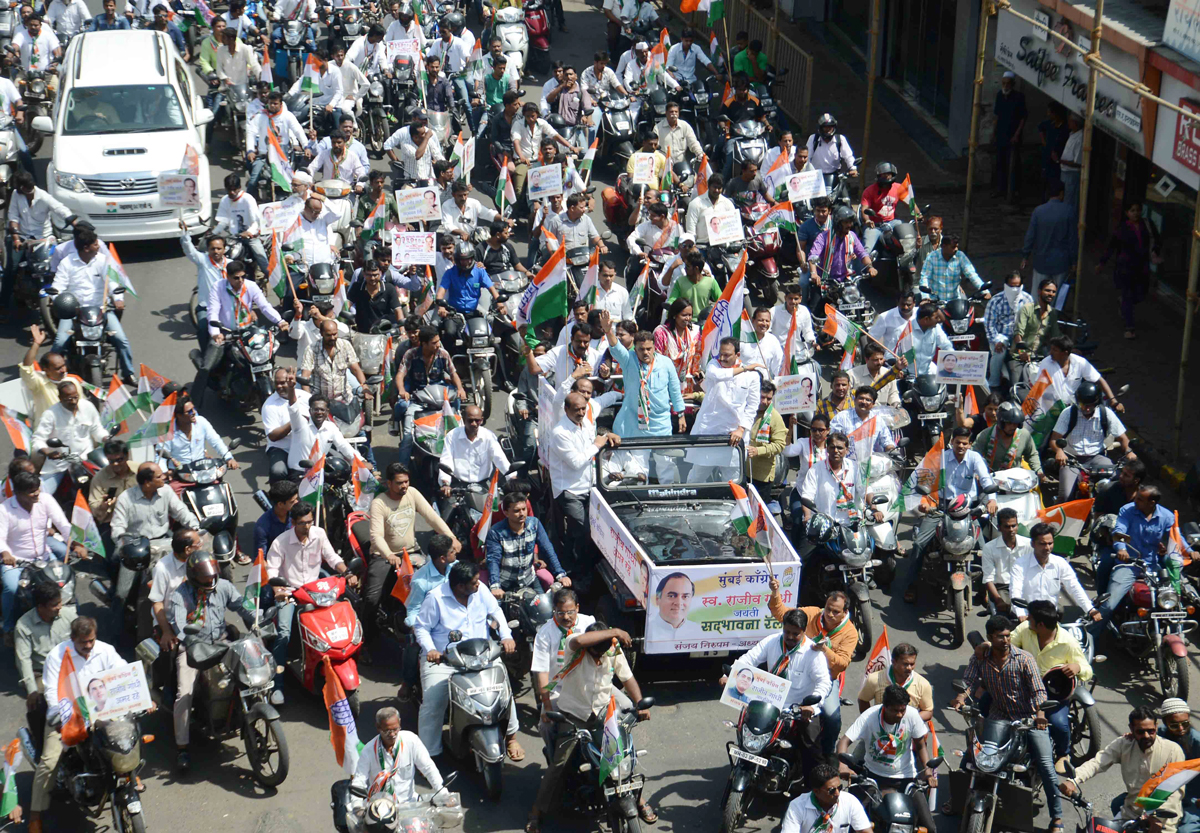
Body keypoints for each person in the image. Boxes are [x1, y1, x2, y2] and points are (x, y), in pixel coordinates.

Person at [527, 622, 654, 833]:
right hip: (573, 717)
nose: (599, 655)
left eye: (602, 651)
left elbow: (627, 677)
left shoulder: (612, 649)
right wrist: (615, 630)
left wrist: (639, 704)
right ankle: (536, 812)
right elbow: (579, 640)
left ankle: (639, 800)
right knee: (559, 766)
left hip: (604, 714)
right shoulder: (573, 645)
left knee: (625, 755)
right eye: (595, 650)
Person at [950, 614, 1062, 833]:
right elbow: (969, 681)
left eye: (1008, 636)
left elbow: (1039, 690)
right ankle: (957, 801)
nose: (1006, 640)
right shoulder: (981, 658)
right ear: (991, 637)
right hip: (998, 716)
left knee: (1047, 766)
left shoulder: (1024, 659)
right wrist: (961, 698)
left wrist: (1040, 713)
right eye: (1001, 637)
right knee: (971, 756)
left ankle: (1057, 818)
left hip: (1027, 719)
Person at [414, 561, 522, 759]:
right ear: (460, 586)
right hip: (445, 659)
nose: (478, 584)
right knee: (433, 701)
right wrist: (430, 650)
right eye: (474, 582)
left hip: (482, 654)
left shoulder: (480, 592)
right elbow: (421, 628)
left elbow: (495, 611)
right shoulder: (436, 598)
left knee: (503, 689)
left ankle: (512, 737)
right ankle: (428, 755)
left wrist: (506, 635)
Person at [166, 551, 256, 770]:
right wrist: (190, 641)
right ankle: (182, 749)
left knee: (253, 676)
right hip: (193, 649)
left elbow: (242, 606)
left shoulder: (223, 586)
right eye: (206, 578)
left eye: (213, 576)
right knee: (184, 695)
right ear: (193, 576)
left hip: (223, 644)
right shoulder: (180, 595)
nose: (211, 581)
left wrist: (256, 619)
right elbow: (178, 626)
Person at [29, 617, 121, 831]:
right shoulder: (57, 656)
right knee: (49, 762)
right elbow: (52, 691)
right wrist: (65, 714)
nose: (88, 646)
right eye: (83, 643)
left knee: (126, 738)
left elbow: (122, 673)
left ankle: (129, 777)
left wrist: (143, 697)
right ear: (72, 639)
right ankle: (35, 815)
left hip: (101, 711)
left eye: (91, 641)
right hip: (67, 715)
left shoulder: (105, 651)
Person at [265, 501, 358, 703]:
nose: (307, 527)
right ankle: (277, 685)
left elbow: (332, 557)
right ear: (293, 523)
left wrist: (348, 572)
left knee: (345, 616)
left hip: (317, 592)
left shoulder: (318, 534)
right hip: (291, 594)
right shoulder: (280, 543)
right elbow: (271, 570)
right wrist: (278, 590)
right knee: (283, 634)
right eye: (302, 523)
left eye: (309, 522)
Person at [725, 608, 831, 783]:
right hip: (768, 703)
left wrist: (811, 707)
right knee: (745, 730)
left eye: (795, 634)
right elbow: (749, 658)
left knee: (811, 748)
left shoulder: (813, 653)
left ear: (804, 632)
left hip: (797, 708)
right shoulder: (772, 641)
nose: (789, 637)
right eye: (787, 631)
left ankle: (816, 789)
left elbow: (823, 682)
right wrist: (729, 675)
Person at [902, 427, 996, 603]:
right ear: (952, 442)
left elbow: (986, 480)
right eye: (957, 442)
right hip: (943, 508)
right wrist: (923, 502)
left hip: (967, 509)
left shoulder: (975, 458)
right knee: (919, 544)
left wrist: (992, 500)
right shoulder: (942, 457)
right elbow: (925, 479)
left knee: (984, 551)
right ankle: (911, 585)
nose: (961, 446)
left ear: (970, 444)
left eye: (965, 443)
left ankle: (985, 590)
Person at [1060, 706, 1186, 833]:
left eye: (1151, 731)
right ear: (1131, 729)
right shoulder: (1124, 744)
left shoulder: (1173, 751)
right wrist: (1074, 780)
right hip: (1130, 815)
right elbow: (1098, 762)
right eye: (1140, 732)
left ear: (1156, 727)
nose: (1146, 736)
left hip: (1162, 821)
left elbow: (1175, 793)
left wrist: (1157, 818)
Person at [766, 586, 858, 755]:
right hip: (796, 669)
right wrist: (775, 593)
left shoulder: (850, 633)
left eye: (836, 612)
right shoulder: (811, 613)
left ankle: (829, 753)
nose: (830, 615)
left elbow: (841, 664)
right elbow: (783, 614)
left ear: (845, 612)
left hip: (826, 678)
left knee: (831, 716)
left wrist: (824, 650)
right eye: (828, 609)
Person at [837, 684, 937, 833]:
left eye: (902, 710)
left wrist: (928, 772)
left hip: (906, 778)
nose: (899, 714)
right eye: (895, 710)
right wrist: (842, 766)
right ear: (885, 706)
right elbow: (844, 741)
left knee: (930, 827)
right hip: (872, 778)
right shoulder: (869, 717)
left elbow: (921, 747)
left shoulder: (912, 715)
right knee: (852, 824)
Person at [547, 392, 620, 587]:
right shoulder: (560, 433)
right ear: (566, 410)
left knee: (591, 531)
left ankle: (584, 569)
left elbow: (596, 439)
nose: (581, 412)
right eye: (576, 409)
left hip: (588, 487)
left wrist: (606, 436)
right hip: (569, 490)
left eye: (583, 408)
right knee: (583, 532)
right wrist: (597, 445)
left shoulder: (586, 423)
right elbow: (577, 462)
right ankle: (578, 574)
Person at [1004, 600, 1091, 761]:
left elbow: (1087, 669)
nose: (1026, 620)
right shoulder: (1025, 630)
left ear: (1041, 625)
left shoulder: (1068, 642)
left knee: (1059, 725)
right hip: (1024, 686)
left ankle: (1062, 754)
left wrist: (1077, 667)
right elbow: (1008, 644)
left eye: (1030, 618)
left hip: (1053, 691)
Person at [1092, 485, 1182, 635]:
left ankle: (1175, 635)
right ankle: (1089, 640)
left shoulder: (1167, 516)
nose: (1136, 501)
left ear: (1152, 503)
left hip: (1152, 567)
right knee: (1108, 606)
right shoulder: (1127, 510)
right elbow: (1119, 530)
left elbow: (1177, 539)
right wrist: (1121, 549)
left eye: (1140, 499)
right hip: (1128, 565)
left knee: (1174, 602)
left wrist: (1191, 552)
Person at [50, 227, 136, 383]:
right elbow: (58, 285)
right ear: (86, 248)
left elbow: (112, 282)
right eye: (96, 244)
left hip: (101, 309)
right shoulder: (67, 263)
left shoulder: (103, 261)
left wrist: (118, 298)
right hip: (74, 311)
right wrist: (56, 297)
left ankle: (128, 373)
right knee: (60, 342)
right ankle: (49, 376)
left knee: (121, 340)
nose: (99, 246)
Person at [0, 471, 77, 640]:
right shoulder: (4, 510)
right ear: (18, 493)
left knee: (66, 583)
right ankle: (8, 627)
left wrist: (76, 544)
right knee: (12, 589)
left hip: (45, 558)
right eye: (31, 491)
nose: (36, 494)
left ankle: (75, 623)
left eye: (37, 489)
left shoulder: (46, 500)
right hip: (17, 562)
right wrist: (5, 553)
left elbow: (63, 525)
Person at [1047, 381, 1134, 503]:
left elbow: (1123, 438)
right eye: (1083, 404)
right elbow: (1054, 439)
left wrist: (1129, 452)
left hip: (1096, 457)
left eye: (1091, 405)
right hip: (1071, 459)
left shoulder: (1106, 413)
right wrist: (1059, 452)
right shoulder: (1068, 413)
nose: (1087, 408)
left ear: (1096, 403)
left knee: (1116, 482)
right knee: (1066, 496)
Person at [14, 581, 74, 759]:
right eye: (54, 605)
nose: (59, 607)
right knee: (39, 703)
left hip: (70, 667)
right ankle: (41, 749)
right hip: (43, 672)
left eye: (60, 602)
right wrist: (31, 690)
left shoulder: (69, 616)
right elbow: (23, 660)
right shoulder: (23, 626)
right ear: (40, 607)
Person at [689, 338, 762, 479]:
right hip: (709, 431)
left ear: (737, 355)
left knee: (733, 481)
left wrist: (741, 429)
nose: (722, 358)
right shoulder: (713, 365)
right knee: (696, 477)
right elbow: (717, 376)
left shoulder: (752, 376)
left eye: (727, 355)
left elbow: (752, 406)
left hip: (733, 435)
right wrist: (745, 368)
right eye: (720, 354)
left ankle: (730, 503)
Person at [604, 317, 686, 437]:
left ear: (654, 348)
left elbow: (675, 391)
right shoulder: (628, 359)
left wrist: (681, 415)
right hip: (633, 425)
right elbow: (616, 348)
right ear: (635, 349)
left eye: (649, 349)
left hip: (660, 425)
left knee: (662, 455)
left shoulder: (666, 363)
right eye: (641, 349)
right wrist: (608, 331)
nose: (645, 352)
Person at [1095, 201, 1160, 340]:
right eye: (1132, 210)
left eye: (1137, 210)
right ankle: (1129, 327)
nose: (1135, 213)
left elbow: (1157, 240)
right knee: (1128, 295)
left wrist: (1155, 252)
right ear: (1127, 213)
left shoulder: (1147, 225)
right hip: (1126, 267)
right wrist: (1102, 263)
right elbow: (1112, 246)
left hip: (1142, 266)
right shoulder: (1122, 228)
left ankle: (1123, 303)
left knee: (1141, 294)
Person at [352, 706, 443, 802]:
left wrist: (442, 792)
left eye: (395, 729)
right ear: (378, 727)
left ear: (399, 722)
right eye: (387, 731)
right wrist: (357, 806)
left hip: (408, 803)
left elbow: (428, 768)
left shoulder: (412, 741)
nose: (392, 734)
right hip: (380, 806)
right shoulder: (368, 750)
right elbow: (359, 781)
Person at [31, 380, 107, 494]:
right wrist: (48, 452)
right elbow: (38, 439)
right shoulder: (50, 414)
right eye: (69, 399)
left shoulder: (88, 406)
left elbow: (97, 429)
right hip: (60, 464)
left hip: (87, 459)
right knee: (41, 496)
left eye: (76, 397)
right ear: (60, 398)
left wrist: (106, 438)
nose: (74, 401)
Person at [486, 491, 570, 594]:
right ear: (506, 512)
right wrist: (495, 586)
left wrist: (560, 574)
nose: (521, 514)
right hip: (505, 584)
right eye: (516, 511)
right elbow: (493, 560)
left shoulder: (534, 524)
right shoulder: (495, 532)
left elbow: (548, 549)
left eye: (524, 509)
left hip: (529, 580)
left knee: (545, 609)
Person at [110, 463, 200, 550]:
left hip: (164, 543)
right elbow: (118, 527)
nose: (164, 477)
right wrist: (124, 544)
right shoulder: (125, 498)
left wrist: (196, 528)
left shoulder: (166, 491)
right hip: (137, 547)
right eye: (159, 477)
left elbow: (182, 512)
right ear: (147, 483)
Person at [160, 396, 238, 487]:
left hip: (203, 473)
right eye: (189, 411)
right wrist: (164, 472)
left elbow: (216, 441)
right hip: (180, 476)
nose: (193, 413)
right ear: (179, 415)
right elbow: (160, 455)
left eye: (193, 409)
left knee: (223, 489)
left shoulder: (201, 422)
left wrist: (229, 458)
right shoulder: (167, 432)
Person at [437, 404, 508, 502]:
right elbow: (446, 460)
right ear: (463, 418)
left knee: (494, 514)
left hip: (483, 486)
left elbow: (500, 459)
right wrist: (445, 483)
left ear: (482, 420)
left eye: (477, 420)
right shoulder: (452, 436)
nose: (474, 424)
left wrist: (513, 478)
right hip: (458, 485)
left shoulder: (489, 436)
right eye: (470, 420)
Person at [148, 528, 202, 654]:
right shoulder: (162, 569)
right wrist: (166, 631)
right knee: (171, 654)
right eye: (198, 544)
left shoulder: (199, 560)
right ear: (188, 549)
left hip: (196, 617)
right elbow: (157, 603)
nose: (201, 546)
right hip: (170, 621)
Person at [300, 318, 372, 410]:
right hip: (321, 404)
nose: (332, 338)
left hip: (344, 400)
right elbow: (305, 377)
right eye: (328, 335)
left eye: (335, 334)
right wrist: (310, 400)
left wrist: (365, 387)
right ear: (321, 334)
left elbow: (355, 369)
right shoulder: (311, 349)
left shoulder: (345, 345)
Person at [1021, 180, 1078, 296]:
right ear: (1061, 193)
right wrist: (1074, 262)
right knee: (1055, 299)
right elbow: (1072, 240)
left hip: (1041, 261)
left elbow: (1030, 236)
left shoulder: (1038, 211)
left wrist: (1025, 256)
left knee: (1037, 296)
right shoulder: (1069, 211)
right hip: (1061, 262)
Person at [781, 762, 872, 833]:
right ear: (816, 791)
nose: (837, 793)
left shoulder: (850, 801)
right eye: (831, 790)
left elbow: (865, 830)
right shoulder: (797, 806)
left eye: (839, 788)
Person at [856, 642, 934, 720]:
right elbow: (863, 700)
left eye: (912, 664)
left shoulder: (923, 684)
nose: (909, 668)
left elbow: (928, 711)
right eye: (905, 664)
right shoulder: (874, 679)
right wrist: (872, 721)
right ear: (894, 662)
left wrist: (909, 722)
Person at [984, 270, 1033, 389]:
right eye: (1012, 286)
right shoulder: (996, 301)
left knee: (1029, 356)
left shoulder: (1027, 299)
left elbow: (1031, 323)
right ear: (1006, 285)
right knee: (998, 354)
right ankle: (993, 384)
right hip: (1001, 336)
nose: (1015, 289)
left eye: (1018, 286)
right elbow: (989, 324)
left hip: (1020, 337)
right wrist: (996, 340)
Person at [1158, 699, 1200, 833]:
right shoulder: (1160, 734)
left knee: (1185, 831)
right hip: (1165, 793)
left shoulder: (1197, 742)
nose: (1181, 729)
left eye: (1185, 724)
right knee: (1119, 804)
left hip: (1192, 799)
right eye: (1174, 725)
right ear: (1166, 723)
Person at [809, 206, 875, 290]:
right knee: (815, 303)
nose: (850, 225)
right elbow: (813, 256)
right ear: (838, 223)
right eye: (846, 222)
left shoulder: (852, 236)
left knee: (859, 300)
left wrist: (870, 267)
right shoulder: (823, 237)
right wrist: (814, 273)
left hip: (846, 280)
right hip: (824, 280)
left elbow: (862, 253)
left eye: (850, 222)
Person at [859, 161, 917, 255]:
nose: (886, 176)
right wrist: (867, 221)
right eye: (883, 174)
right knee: (866, 250)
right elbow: (864, 209)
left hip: (893, 223)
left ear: (893, 174)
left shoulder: (899, 188)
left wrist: (918, 215)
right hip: (875, 225)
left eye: (888, 174)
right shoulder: (869, 191)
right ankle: (865, 268)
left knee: (908, 239)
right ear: (878, 176)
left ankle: (906, 261)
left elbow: (910, 204)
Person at [980, 507, 1028, 615]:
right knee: (1006, 612)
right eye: (1007, 526)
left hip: (1025, 586)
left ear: (1017, 526)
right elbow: (988, 578)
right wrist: (998, 600)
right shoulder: (989, 548)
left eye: (1013, 526)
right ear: (999, 528)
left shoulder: (1029, 545)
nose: (1011, 530)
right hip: (1002, 587)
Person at [748, 380, 787, 508]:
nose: (764, 401)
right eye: (762, 397)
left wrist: (757, 451)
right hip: (742, 472)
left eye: (768, 398)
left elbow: (779, 445)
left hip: (761, 477)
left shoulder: (774, 417)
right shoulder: (747, 410)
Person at [918, 231, 986, 304]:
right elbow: (925, 277)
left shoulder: (960, 256)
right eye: (953, 247)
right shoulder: (932, 257)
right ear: (943, 246)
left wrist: (984, 290)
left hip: (955, 301)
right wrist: (925, 297)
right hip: (935, 301)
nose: (956, 249)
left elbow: (972, 274)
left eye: (957, 246)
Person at [974, 400, 1040, 473]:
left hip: (1015, 479)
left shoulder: (1024, 435)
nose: (1013, 427)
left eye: (1016, 423)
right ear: (1001, 422)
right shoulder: (985, 435)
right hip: (990, 477)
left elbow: (1032, 455)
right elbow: (974, 455)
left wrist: (1039, 471)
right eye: (1009, 423)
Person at [992, 71, 1027, 198]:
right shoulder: (1000, 96)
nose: (1005, 86)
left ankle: (1014, 190)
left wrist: (1017, 134)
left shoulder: (1019, 97)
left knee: (1014, 163)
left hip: (1013, 136)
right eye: (1004, 83)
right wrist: (994, 132)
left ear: (1013, 84)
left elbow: (1023, 118)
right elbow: (997, 115)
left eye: (1008, 84)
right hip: (1001, 134)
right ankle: (1000, 188)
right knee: (1000, 162)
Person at [1013, 277, 1061, 359]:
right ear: (1039, 291)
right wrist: (1022, 352)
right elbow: (1018, 333)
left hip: (1039, 356)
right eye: (1047, 290)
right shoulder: (1027, 309)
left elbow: (1056, 336)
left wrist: (1069, 349)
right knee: (1018, 371)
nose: (1051, 294)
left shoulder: (1052, 313)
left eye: (1054, 292)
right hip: (1019, 357)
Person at [684, 173, 736, 247]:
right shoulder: (695, 204)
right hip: (702, 247)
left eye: (719, 188)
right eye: (714, 187)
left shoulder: (728, 204)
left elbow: (733, 228)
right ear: (708, 186)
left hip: (724, 249)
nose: (717, 190)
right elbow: (691, 232)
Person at [849, 342, 905, 409]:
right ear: (866, 359)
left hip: (883, 415)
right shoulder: (852, 374)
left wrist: (896, 405)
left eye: (881, 359)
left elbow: (893, 394)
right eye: (876, 360)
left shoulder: (888, 374)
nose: (879, 362)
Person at [253, 479, 296, 564]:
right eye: (292, 501)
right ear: (280, 504)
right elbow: (261, 559)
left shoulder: (297, 513)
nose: (297, 502)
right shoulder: (262, 527)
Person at [805, 113, 857, 178]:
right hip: (815, 176)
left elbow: (848, 156)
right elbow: (807, 157)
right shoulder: (813, 139)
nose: (828, 129)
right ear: (821, 128)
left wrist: (853, 168)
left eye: (830, 127)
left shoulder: (840, 139)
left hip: (835, 176)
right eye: (825, 127)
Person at [911, 302, 952, 377]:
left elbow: (946, 345)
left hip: (927, 373)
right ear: (926, 319)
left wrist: (953, 357)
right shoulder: (905, 330)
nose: (938, 320)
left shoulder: (936, 328)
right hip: (908, 376)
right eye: (936, 317)